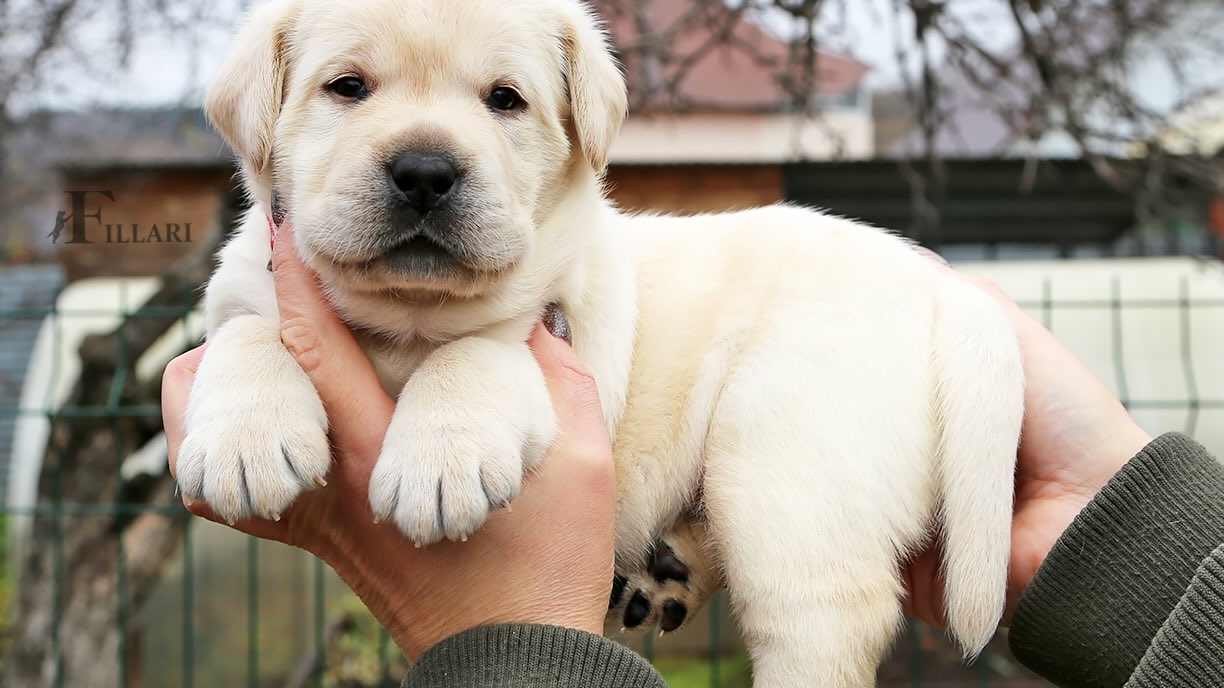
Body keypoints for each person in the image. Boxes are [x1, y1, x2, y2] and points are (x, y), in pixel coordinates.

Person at [161, 227, 1224, 688]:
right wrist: (246, 368)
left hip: (803, 306)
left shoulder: (548, 271)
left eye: (503, 98)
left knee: (802, 584)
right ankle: (690, 543)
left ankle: (800, 619)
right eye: (349, 86)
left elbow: (505, 373)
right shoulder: (267, 267)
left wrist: (498, 636)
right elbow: (248, 329)